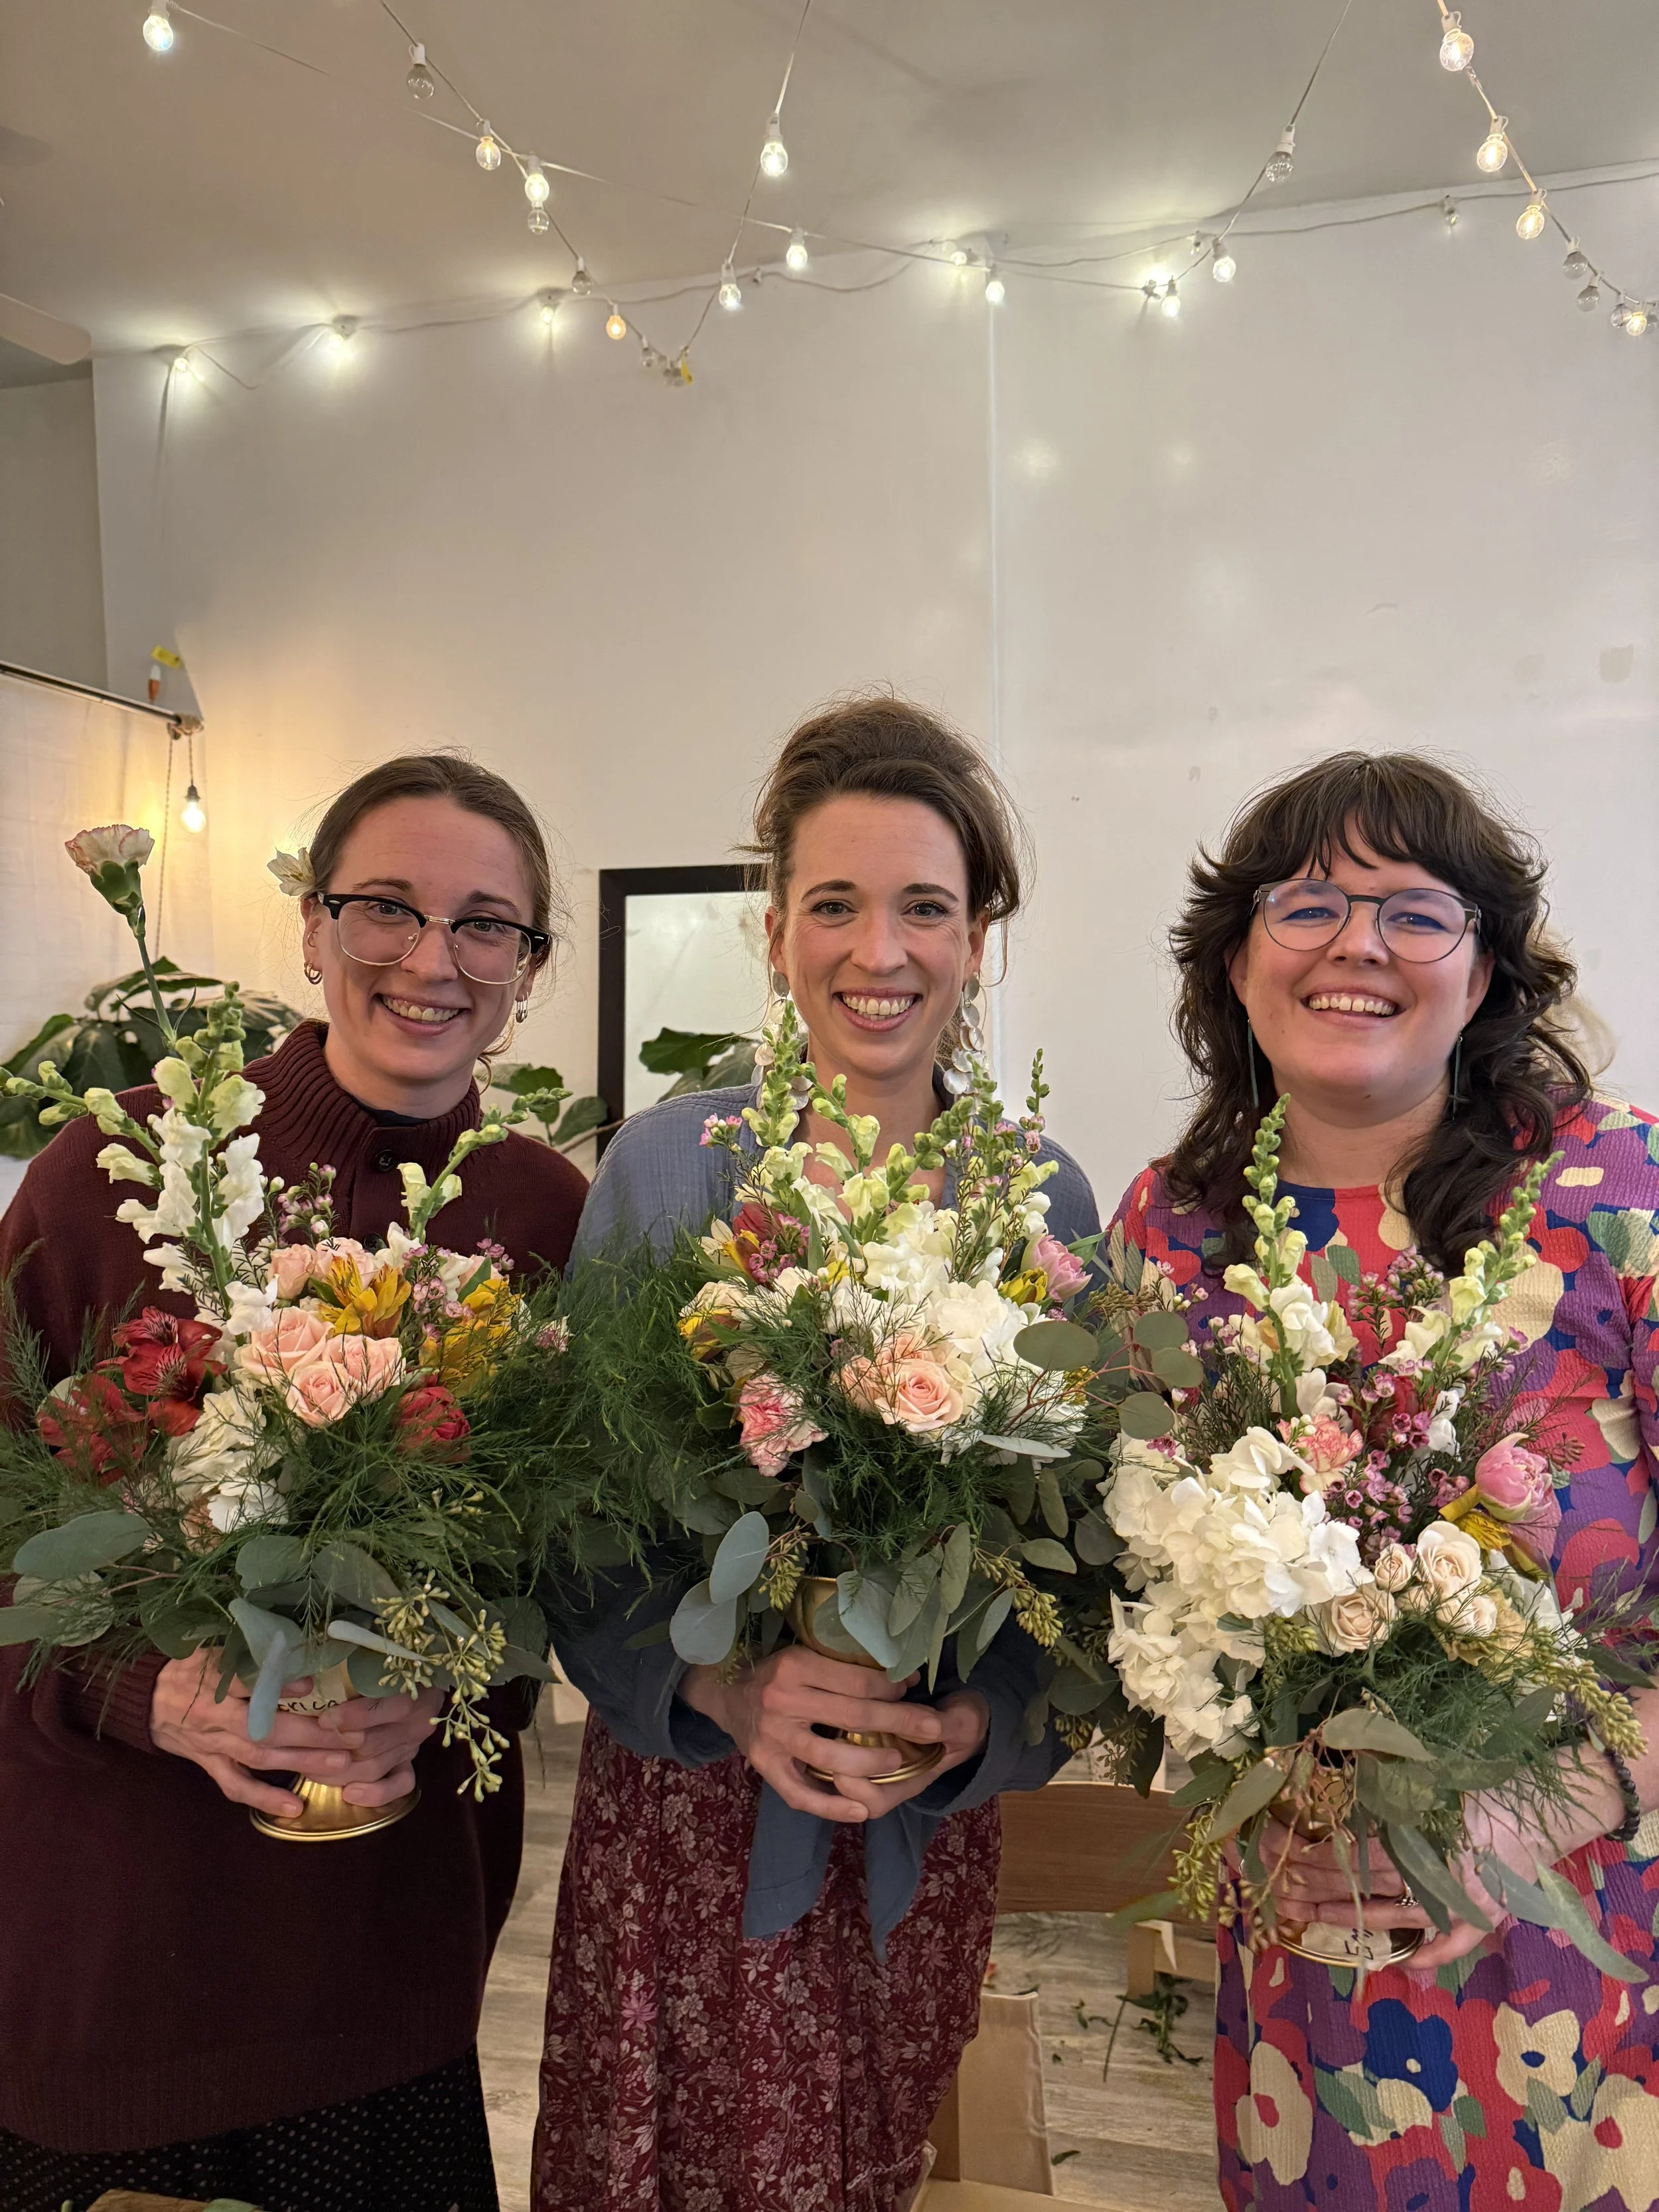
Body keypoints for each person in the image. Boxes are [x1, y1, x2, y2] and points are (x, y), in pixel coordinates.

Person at [534, 696, 1101, 2212]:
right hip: (692, 1810)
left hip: (912, 1815)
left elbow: (1091, 1544)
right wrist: (720, 1683)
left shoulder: (1040, 1194)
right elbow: (576, 1527)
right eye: (833, 905)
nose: (879, 951)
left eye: (925, 905)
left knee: (869, 2166)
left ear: (977, 932)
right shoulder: (667, 1167)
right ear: (774, 926)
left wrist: (981, 1720)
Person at [0, 753, 588, 2212]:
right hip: (118, 1972)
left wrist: (457, 1677)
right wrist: (147, 1690)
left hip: (384, 1978)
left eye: (485, 924)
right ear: (311, 928)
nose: (430, 958)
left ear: (529, 966)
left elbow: (557, 1576)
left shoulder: (541, 1215)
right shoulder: (121, 1165)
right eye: (384, 905)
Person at [1108, 749, 1659, 2211]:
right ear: (1234, 961)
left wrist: (1529, 1812)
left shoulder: (1619, 1197)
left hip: (1601, 1951)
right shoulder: (1171, 1231)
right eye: (1305, 904)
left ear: (1479, 976)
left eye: (1414, 912)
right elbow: (1138, 1585)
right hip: (1308, 1963)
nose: (1354, 943)